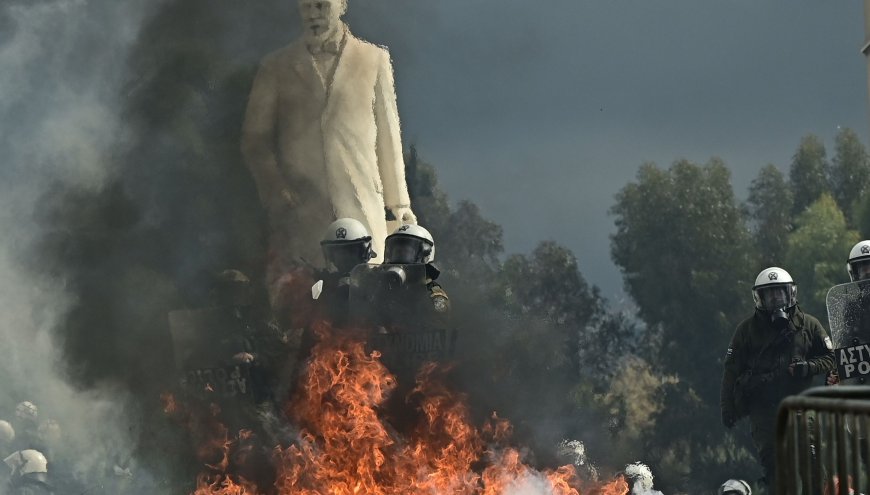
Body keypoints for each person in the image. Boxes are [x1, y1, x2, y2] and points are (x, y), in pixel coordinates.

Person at [241, 0, 416, 287]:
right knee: (307, 309)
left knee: (368, 306)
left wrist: (399, 204)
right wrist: (278, 192)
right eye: (305, 6)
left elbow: (388, 137)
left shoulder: (374, 59)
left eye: (321, 5)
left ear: (342, 5)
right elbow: (254, 140)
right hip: (303, 220)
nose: (312, 15)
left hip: (362, 210)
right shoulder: (276, 67)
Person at [720, 267, 835, 487]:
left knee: (812, 465)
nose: (775, 298)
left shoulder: (808, 325)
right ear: (759, 297)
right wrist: (727, 407)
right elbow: (731, 372)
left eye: (779, 292)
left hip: (801, 407)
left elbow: (832, 358)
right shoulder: (746, 331)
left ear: (790, 293)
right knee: (775, 470)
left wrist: (808, 367)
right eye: (769, 294)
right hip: (764, 412)